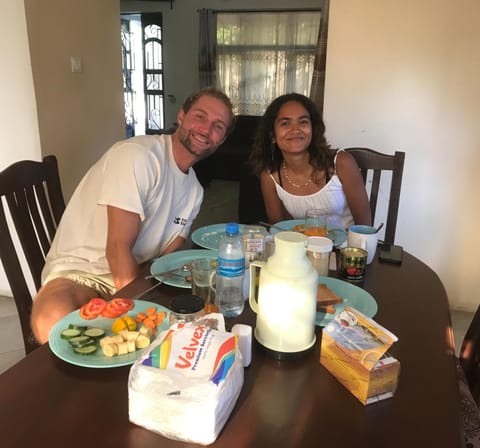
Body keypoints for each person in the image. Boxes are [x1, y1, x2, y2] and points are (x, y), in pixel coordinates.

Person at [32, 87, 235, 343]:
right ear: (181, 116)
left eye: (218, 126)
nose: (206, 130)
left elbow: (165, 259)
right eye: (200, 117)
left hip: (138, 276)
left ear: (222, 140)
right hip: (82, 273)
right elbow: (117, 248)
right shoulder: (139, 156)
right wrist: (134, 313)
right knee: (51, 322)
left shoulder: (194, 190)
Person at [248, 93, 371, 228]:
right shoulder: (270, 177)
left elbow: (364, 228)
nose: (295, 130)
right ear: (272, 136)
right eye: (285, 123)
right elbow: (279, 230)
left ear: (313, 129)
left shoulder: (341, 163)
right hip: (301, 247)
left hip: (347, 247)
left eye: (303, 122)